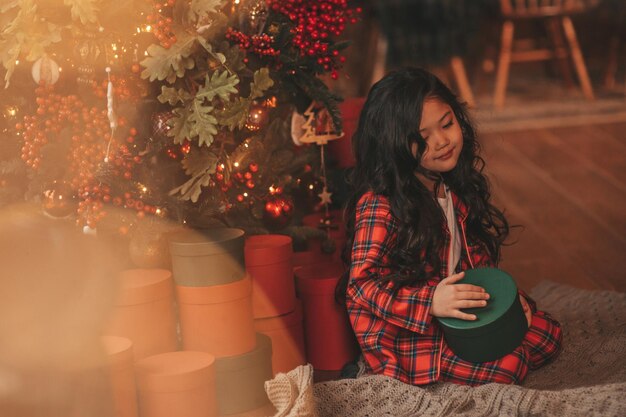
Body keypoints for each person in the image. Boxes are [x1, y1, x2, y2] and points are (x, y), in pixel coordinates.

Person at [336, 68, 562, 386]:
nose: (442, 142)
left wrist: (507, 305)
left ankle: (480, 350)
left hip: (454, 312)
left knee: (547, 335)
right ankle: (416, 374)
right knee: (512, 364)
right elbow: (360, 287)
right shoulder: (380, 205)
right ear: (393, 144)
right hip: (406, 330)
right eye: (422, 138)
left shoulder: (448, 183)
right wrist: (430, 302)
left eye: (446, 124)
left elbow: (472, 259)